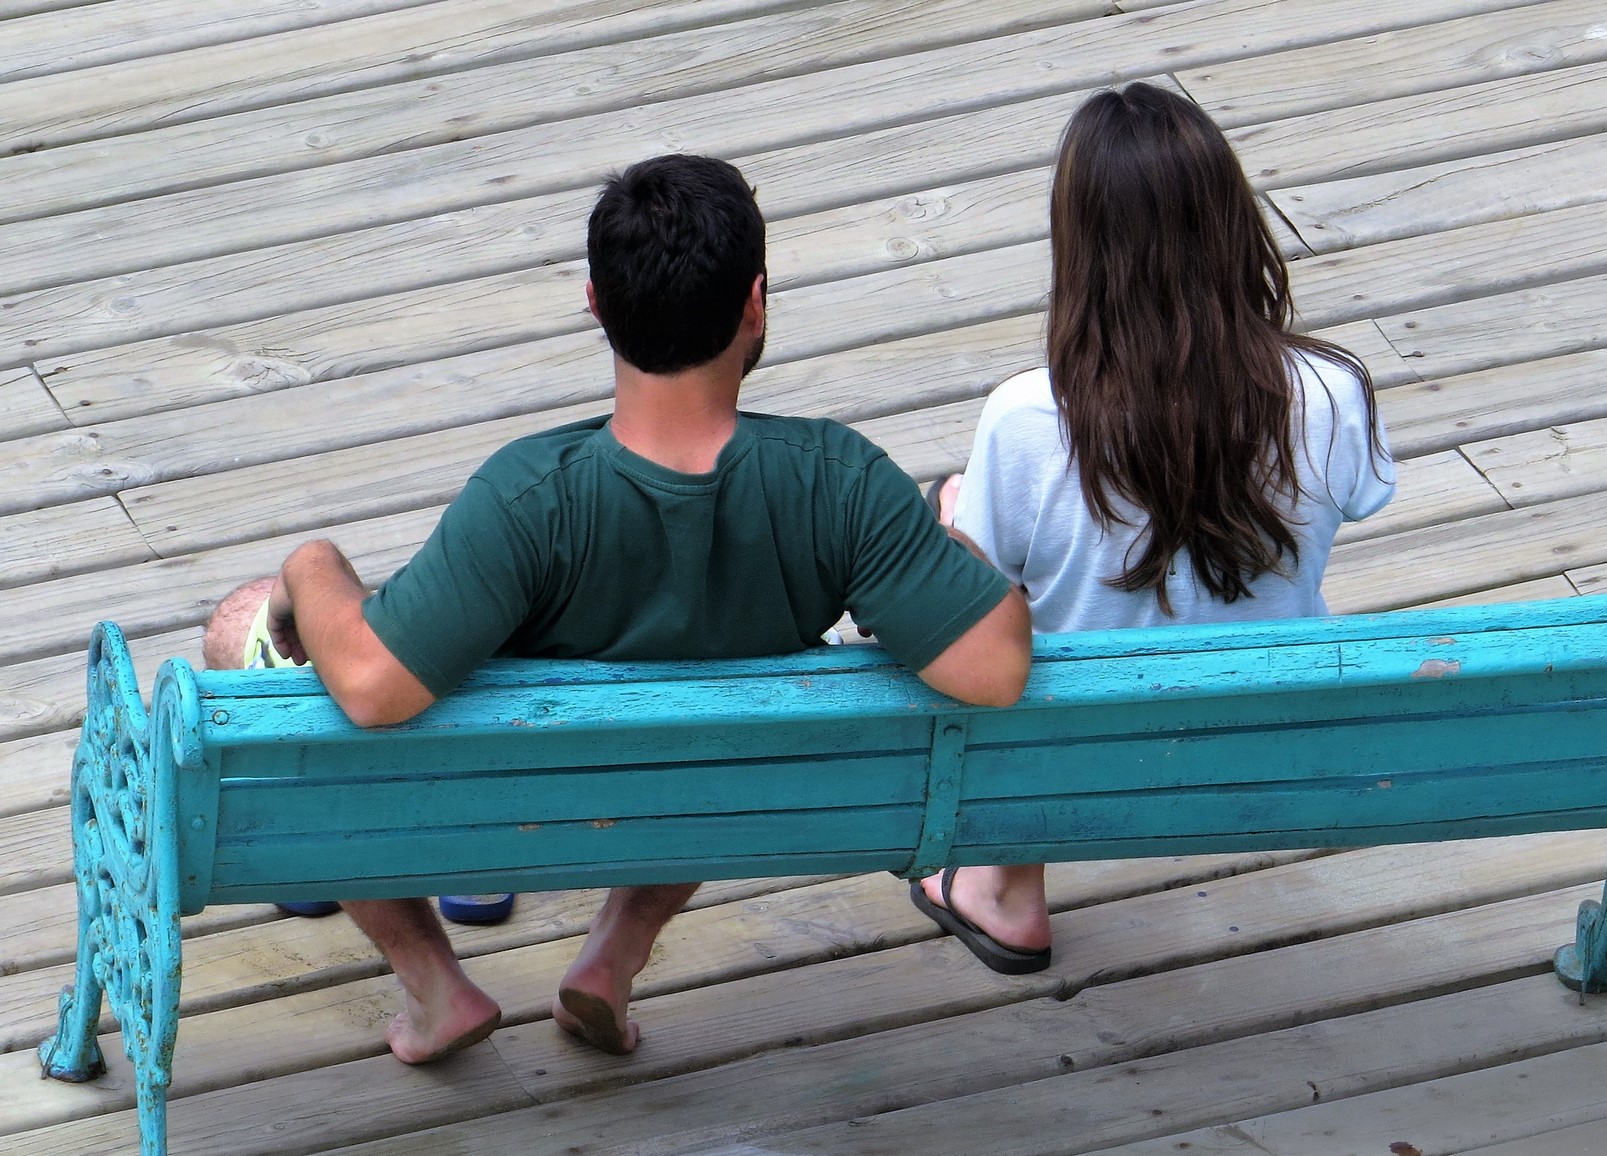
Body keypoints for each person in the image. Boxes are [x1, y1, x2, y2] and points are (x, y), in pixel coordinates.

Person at [202, 154, 1033, 1065]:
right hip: (717, 803)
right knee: (705, 734)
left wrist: (309, 565)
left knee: (246, 637)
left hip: (500, 821)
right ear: (755, 305)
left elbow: (369, 687)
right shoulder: (838, 486)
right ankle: (614, 953)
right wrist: (947, 545)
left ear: (597, 303)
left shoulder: (530, 499)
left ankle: (435, 985)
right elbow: (995, 667)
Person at [912, 84, 1395, 975]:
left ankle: (1005, 891)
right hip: (1278, 738)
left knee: (969, 569)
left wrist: (953, 519)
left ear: (1081, 245)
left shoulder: (1025, 417)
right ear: (1232, 224)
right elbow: (1363, 492)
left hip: (1085, 757)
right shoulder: (1333, 390)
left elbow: (987, 584)